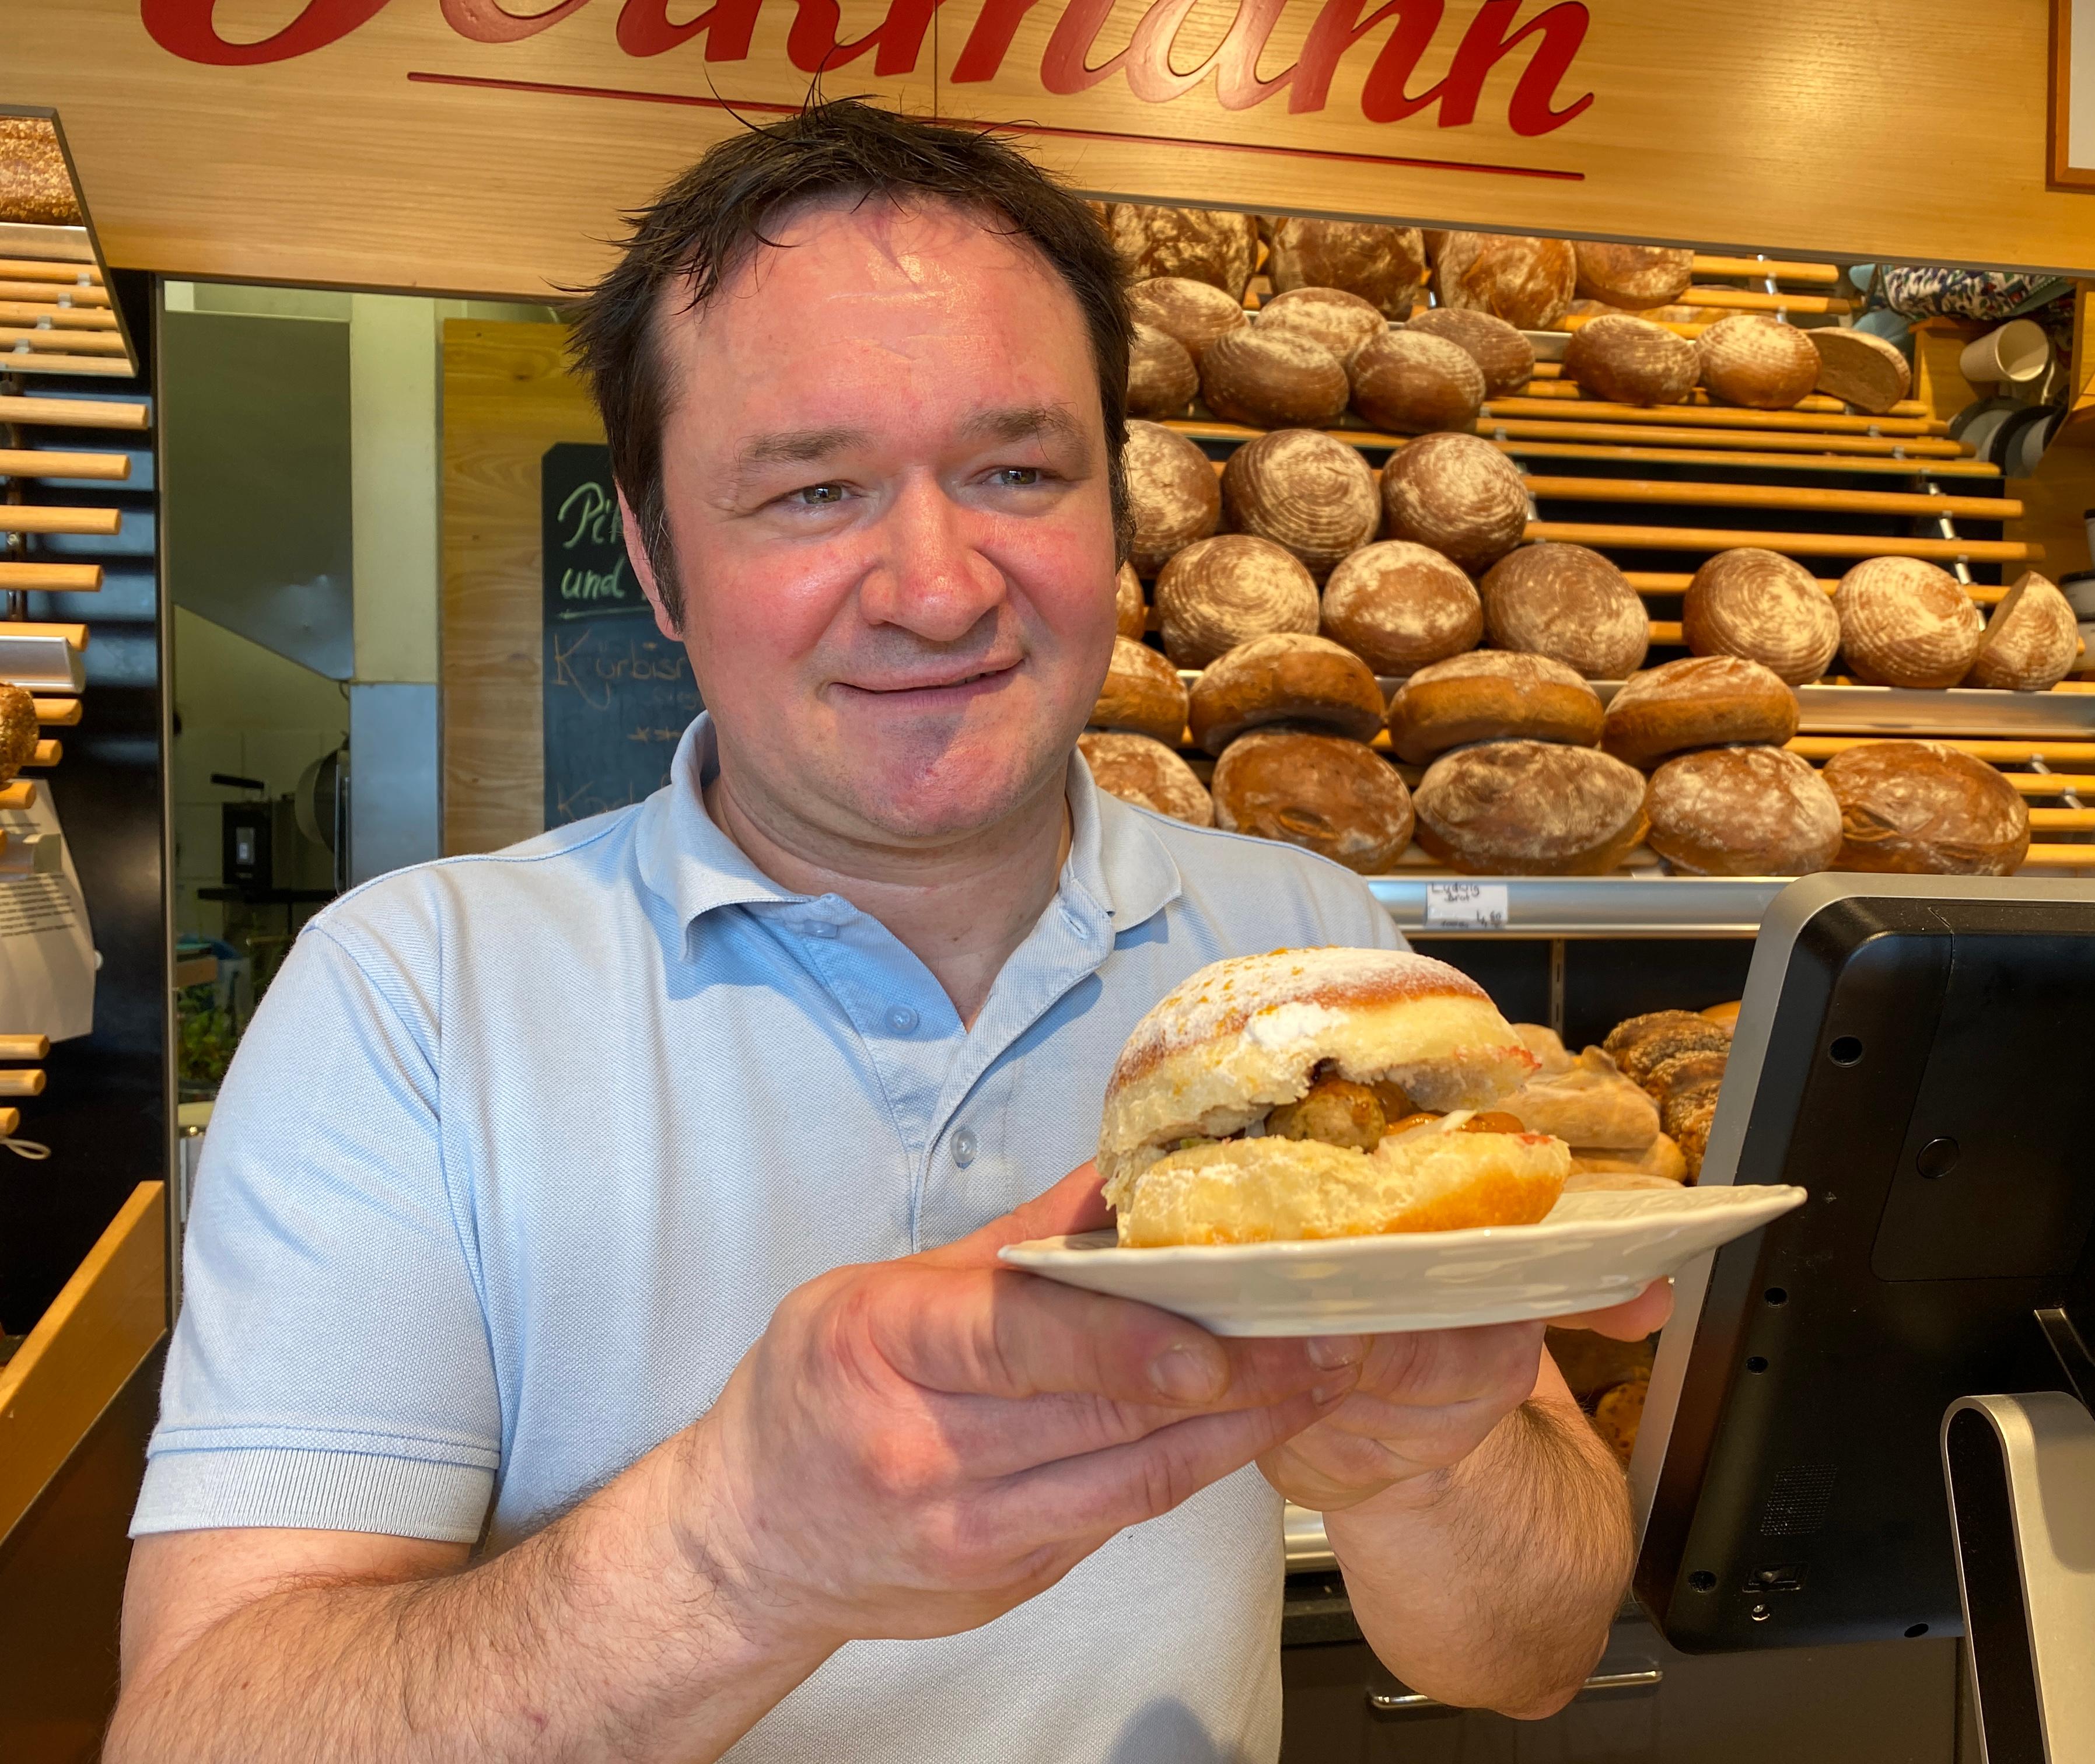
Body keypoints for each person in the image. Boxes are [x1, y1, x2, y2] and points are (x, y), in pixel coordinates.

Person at [108, 102, 1665, 1763]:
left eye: (1017, 472)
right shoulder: (414, 992)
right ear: (653, 556)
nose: (936, 586)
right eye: (812, 491)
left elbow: (1536, 1654)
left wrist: (1422, 1465)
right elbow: (197, 1728)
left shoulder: (1307, 954)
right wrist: (734, 1551)